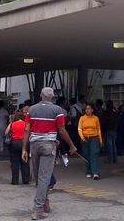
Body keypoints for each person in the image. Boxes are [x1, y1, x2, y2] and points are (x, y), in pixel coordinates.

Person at [22, 87, 77, 220]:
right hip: (48, 144)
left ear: (41, 96)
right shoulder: (57, 110)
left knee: (38, 175)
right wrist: (71, 145)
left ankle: (45, 203)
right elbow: (62, 131)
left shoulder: (32, 109)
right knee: (45, 177)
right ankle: (37, 209)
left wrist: (24, 148)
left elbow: (26, 129)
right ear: (52, 98)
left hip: (34, 144)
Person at [78, 103, 103, 179]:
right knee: (87, 155)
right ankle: (89, 171)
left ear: (92, 110)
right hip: (85, 138)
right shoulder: (82, 118)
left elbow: (98, 130)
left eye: (89, 109)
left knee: (94, 154)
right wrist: (82, 137)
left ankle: (95, 172)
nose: (87, 110)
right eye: (86, 109)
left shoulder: (96, 118)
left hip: (94, 138)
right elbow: (79, 129)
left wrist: (100, 140)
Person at [7, 111, 30, 185]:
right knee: (25, 161)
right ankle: (26, 179)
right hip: (25, 143)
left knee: (14, 162)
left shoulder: (12, 124)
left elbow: (6, 132)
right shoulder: (26, 124)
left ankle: (15, 180)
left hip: (14, 143)